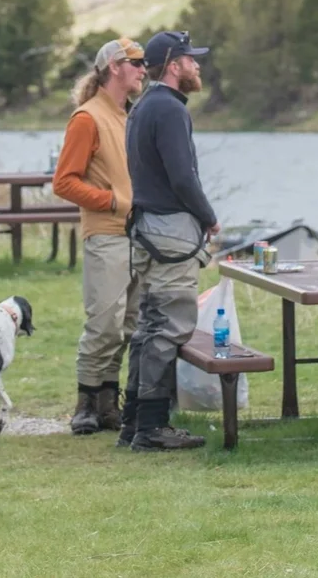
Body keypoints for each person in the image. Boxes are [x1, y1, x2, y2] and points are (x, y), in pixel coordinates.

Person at [120, 31, 219, 452]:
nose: (198, 65)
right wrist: (209, 217)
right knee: (169, 328)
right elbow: (183, 176)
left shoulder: (142, 108)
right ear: (174, 65)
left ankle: (132, 422)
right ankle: (153, 427)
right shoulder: (170, 110)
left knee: (147, 328)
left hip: (145, 229)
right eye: (191, 59)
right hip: (170, 233)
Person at [52, 37, 146, 436]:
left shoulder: (129, 117)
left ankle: (109, 403)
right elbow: (64, 182)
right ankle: (85, 403)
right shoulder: (87, 119)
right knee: (104, 322)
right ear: (114, 67)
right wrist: (111, 201)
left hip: (139, 235)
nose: (144, 69)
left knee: (127, 325)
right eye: (137, 63)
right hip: (106, 234)